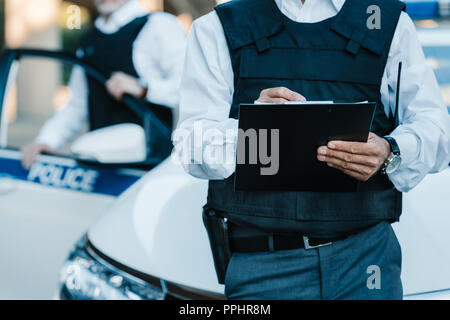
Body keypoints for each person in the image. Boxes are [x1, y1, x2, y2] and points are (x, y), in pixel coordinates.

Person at [175, 0, 450, 300]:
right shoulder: (219, 26)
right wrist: (251, 128)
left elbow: (437, 131)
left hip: (367, 259)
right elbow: (189, 144)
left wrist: (389, 151)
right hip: (265, 268)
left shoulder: (388, 22)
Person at [21, 0, 186, 169]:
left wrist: (143, 89)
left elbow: (189, 89)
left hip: (149, 169)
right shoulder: (89, 40)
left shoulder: (159, 26)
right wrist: (45, 141)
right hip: (100, 168)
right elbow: (76, 106)